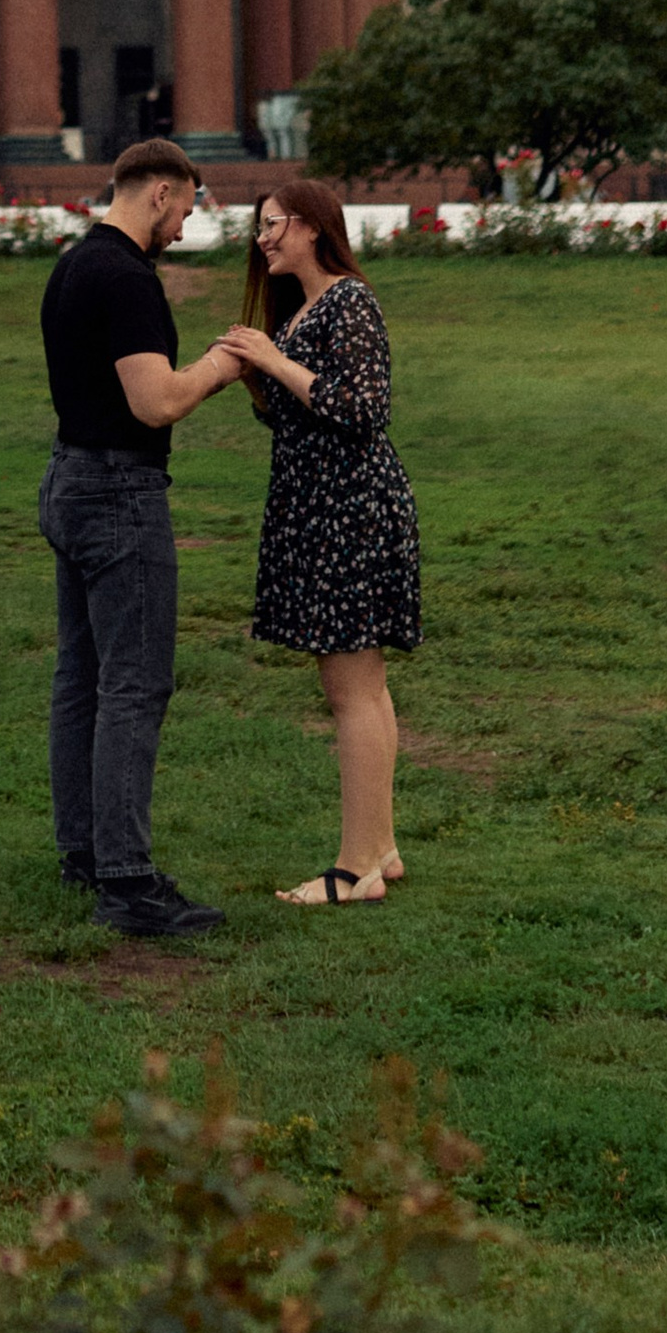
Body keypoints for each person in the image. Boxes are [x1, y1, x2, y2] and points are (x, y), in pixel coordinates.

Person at [38, 135, 244, 939]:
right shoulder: (127, 278)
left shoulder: (72, 264)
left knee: (80, 679)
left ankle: (83, 854)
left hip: (68, 478)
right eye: (186, 209)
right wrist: (223, 366)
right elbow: (155, 401)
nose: (186, 229)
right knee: (134, 683)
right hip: (119, 492)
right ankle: (126, 880)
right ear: (158, 192)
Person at [222, 178, 421, 907]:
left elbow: (363, 410)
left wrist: (275, 362)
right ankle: (382, 847)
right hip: (321, 509)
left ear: (310, 226)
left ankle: (354, 869)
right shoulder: (309, 309)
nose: (263, 238)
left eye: (272, 224)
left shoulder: (349, 300)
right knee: (361, 688)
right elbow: (302, 414)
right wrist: (256, 367)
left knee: (351, 692)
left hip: (350, 512)